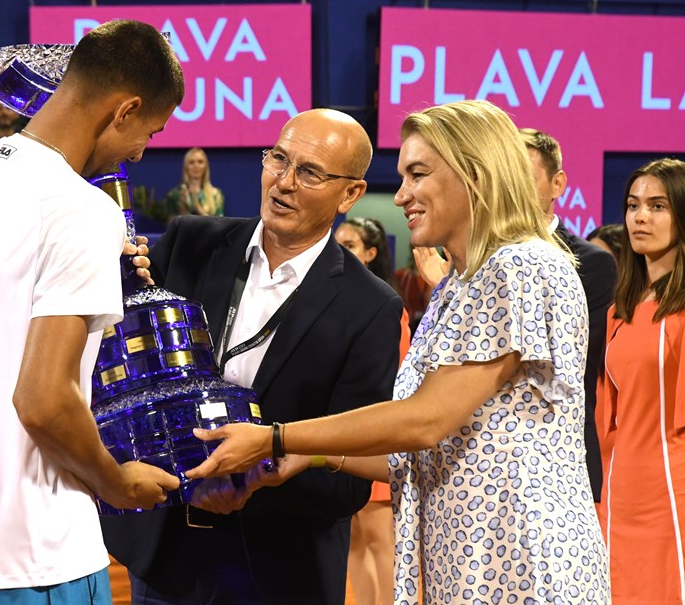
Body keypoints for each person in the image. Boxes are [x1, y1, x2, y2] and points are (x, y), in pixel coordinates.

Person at [186, 99, 610, 605]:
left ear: (475, 174)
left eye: (418, 174)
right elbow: (430, 450)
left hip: (523, 556)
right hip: (472, 557)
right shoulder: (460, 285)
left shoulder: (520, 265)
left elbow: (425, 420)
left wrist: (275, 437)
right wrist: (310, 454)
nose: (402, 194)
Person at [0, 19, 185, 603]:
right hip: (28, 556)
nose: (138, 152)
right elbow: (44, 400)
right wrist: (117, 483)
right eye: (149, 133)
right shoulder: (84, 211)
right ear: (125, 110)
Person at [102, 109, 404, 605]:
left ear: (350, 193)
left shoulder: (370, 307)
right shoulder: (188, 242)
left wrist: (252, 482)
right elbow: (126, 368)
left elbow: (351, 474)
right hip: (165, 557)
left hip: (280, 571)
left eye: (310, 172)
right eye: (278, 159)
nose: (284, 182)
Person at [597, 157, 685, 604]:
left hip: (673, 489)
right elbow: (608, 418)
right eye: (633, 206)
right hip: (619, 489)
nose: (640, 217)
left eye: (657, 206)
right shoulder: (619, 311)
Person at [520, 127, 616, 503]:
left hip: (559, 460)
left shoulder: (590, 264)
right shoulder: (473, 261)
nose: (512, 190)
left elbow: (560, 362)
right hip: (483, 463)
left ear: (557, 184)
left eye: (524, 178)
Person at [334, 216, 406, 605]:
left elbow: (397, 382)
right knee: (355, 541)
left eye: (349, 245)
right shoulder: (334, 301)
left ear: (371, 253)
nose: (339, 251)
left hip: (378, 438)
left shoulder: (387, 306)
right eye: (337, 243)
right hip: (343, 438)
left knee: (380, 540)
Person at [165, 147, 225, 220]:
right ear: (186, 167)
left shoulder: (216, 195)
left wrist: (198, 208)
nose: (196, 166)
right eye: (191, 162)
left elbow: (219, 223)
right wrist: (183, 208)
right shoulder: (175, 194)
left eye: (200, 162)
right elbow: (171, 224)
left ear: (206, 166)